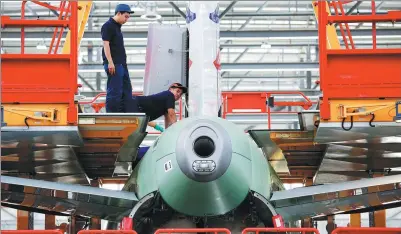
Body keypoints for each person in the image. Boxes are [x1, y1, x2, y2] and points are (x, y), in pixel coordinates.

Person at [101, 4, 134, 113]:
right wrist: (110, 62)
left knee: (127, 90)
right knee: (115, 90)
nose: (127, 20)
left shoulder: (117, 27)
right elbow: (106, 45)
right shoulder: (108, 26)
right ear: (118, 13)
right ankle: (112, 115)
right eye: (125, 16)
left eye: (128, 17)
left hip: (122, 64)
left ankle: (124, 113)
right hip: (114, 64)